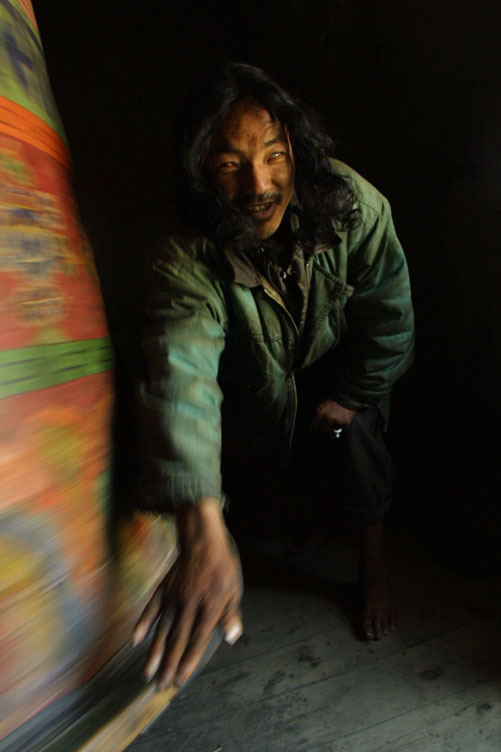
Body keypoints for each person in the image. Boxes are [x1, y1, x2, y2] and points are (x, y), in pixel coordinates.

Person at [132, 62, 414, 691]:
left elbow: (390, 320)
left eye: (274, 155)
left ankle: (372, 568)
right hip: (260, 382)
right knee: (236, 449)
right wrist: (200, 519)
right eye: (230, 163)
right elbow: (182, 374)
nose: (258, 184)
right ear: (200, 168)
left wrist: (348, 396)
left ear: (297, 150)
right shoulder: (186, 253)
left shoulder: (352, 206)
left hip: (340, 372)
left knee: (356, 439)